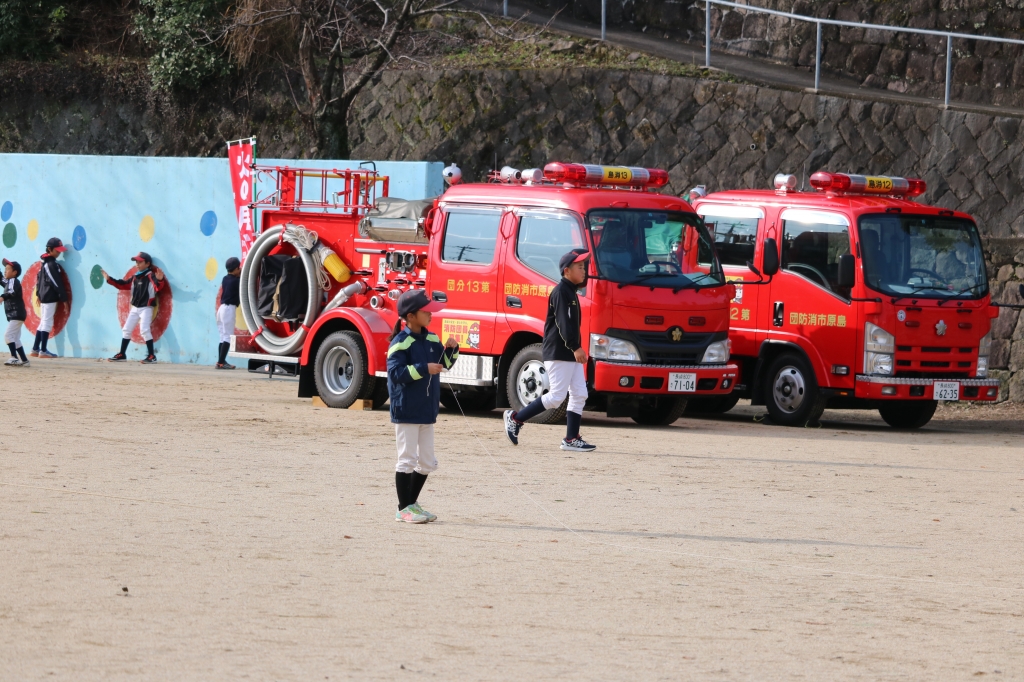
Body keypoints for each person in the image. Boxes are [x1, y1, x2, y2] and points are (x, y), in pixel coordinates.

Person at [503, 248, 596, 452]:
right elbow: (563, 324)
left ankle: (571, 439)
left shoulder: (571, 292)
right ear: (566, 271)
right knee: (556, 397)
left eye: (584, 267)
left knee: (579, 394)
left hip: (569, 353)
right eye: (580, 267)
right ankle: (515, 418)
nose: (584, 271)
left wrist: (575, 348)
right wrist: (576, 347)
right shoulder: (561, 292)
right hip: (560, 352)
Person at [387, 289, 459, 524]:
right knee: (406, 460)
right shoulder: (400, 342)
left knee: (427, 462)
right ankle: (403, 509)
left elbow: (444, 364)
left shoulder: (432, 339)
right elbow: (395, 373)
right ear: (410, 316)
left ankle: (411, 504)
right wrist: (423, 368)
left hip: (427, 411)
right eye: (426, 311)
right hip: (406, 410)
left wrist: (452, 350)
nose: (430, 314)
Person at [101, 252, 165, 364]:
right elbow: (123, 284)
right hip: (135, 308)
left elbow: (158, 287)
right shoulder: (135, 277)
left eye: (140, 262)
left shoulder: (151, 276)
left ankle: (152, 356)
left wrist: (160, 280)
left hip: (146, 308)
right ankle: (122, 354)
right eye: (136, 262)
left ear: (147, 263)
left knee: (144, 330)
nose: (137, 264)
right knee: (126, 330)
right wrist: (109, 279)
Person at [31, 237, 68, 359]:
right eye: (57, 251)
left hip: (44, 296)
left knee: (43, 322)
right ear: (50, 249)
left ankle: (35, 349)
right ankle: (43, 350)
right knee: (47, 322)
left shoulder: (44, 263)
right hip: (49, 297)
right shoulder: (51, 264)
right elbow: (56, 282)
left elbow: (39, 280)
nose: (59, 253)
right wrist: (64, 298)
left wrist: (38, 294)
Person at [1, 258, 29, 367]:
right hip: (17, 314)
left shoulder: (13, 281)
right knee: (15, 339)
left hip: (16, 314)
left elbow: (11, 292)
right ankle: (25, 360)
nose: (5, 271)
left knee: (8, 335)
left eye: (8, 269)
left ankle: (14, 357)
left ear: (14, 272)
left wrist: (3, 297)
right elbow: (2, 280)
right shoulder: (9, 282)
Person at [216, 256, 241, 369]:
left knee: (222, 336)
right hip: (229, 309)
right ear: (235, 269)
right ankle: (221, 362)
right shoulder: (237, 281)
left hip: (221, 309)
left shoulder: (225, 279)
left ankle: (221, 361)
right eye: (238, 268)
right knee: (227, 337)